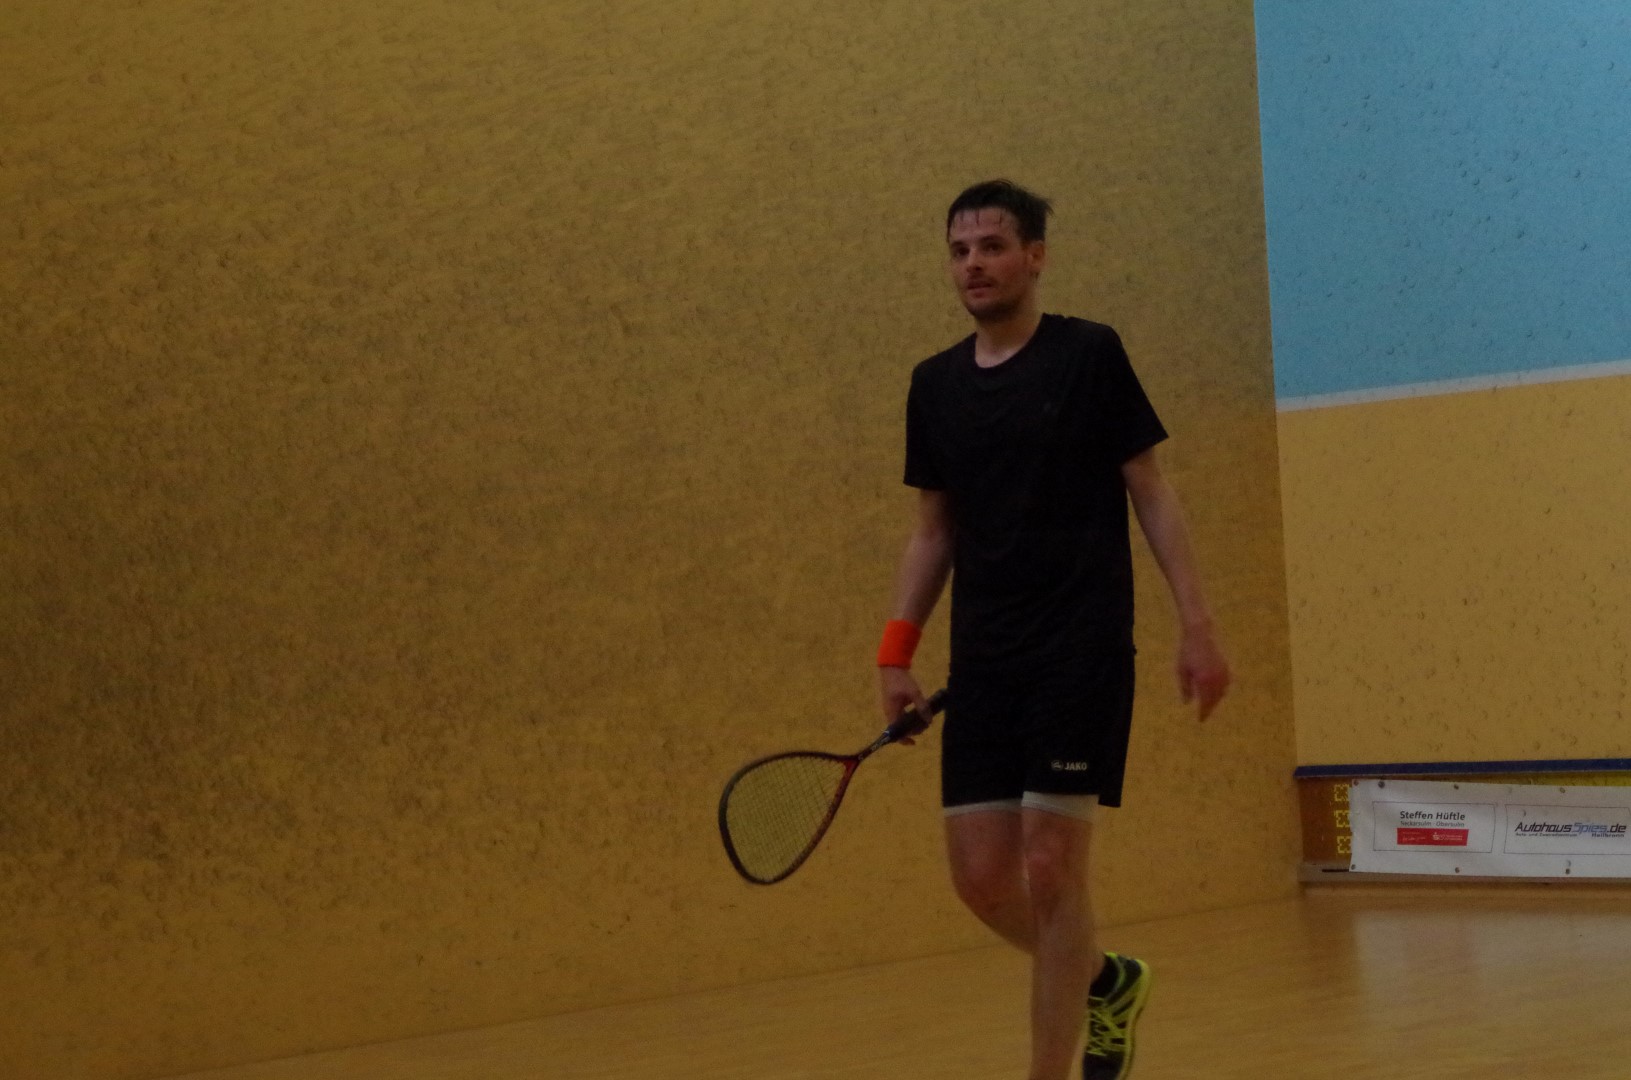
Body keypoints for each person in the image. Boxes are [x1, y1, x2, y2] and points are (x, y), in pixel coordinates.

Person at [874, 180, 1231, 1080]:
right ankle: (1108, 981)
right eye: (959, 251)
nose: (973, 265)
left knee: (1048, 867)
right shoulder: (933, 385)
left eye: (992, 247)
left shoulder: (1087, 355)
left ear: (1034, 256)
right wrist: (894, 653)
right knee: (980, 881)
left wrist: (1196, 625)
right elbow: (932, 531)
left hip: (1080, 648)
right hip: (983, 664)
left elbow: (1150, 490)